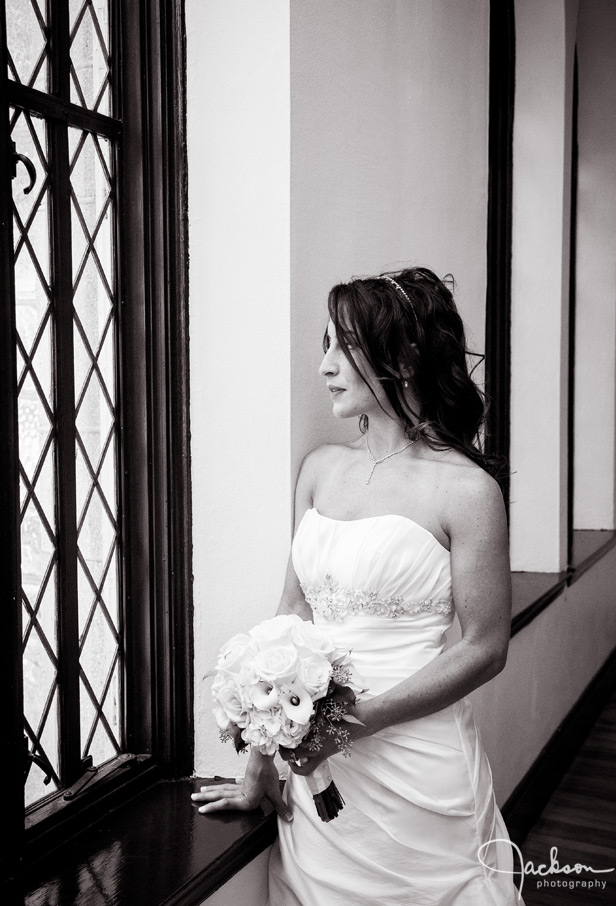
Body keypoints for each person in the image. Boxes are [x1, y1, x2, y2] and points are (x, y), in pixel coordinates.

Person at [192, 267, 525, 905]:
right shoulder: (320, 469)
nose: (325, 366)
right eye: (326, 346)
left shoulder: (467, 491)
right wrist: (261, 759)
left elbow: (485, 646)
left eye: (343, 348)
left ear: (402, 357)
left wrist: (352, 723)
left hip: (415, 768)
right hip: (318, 774)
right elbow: (292, 615)